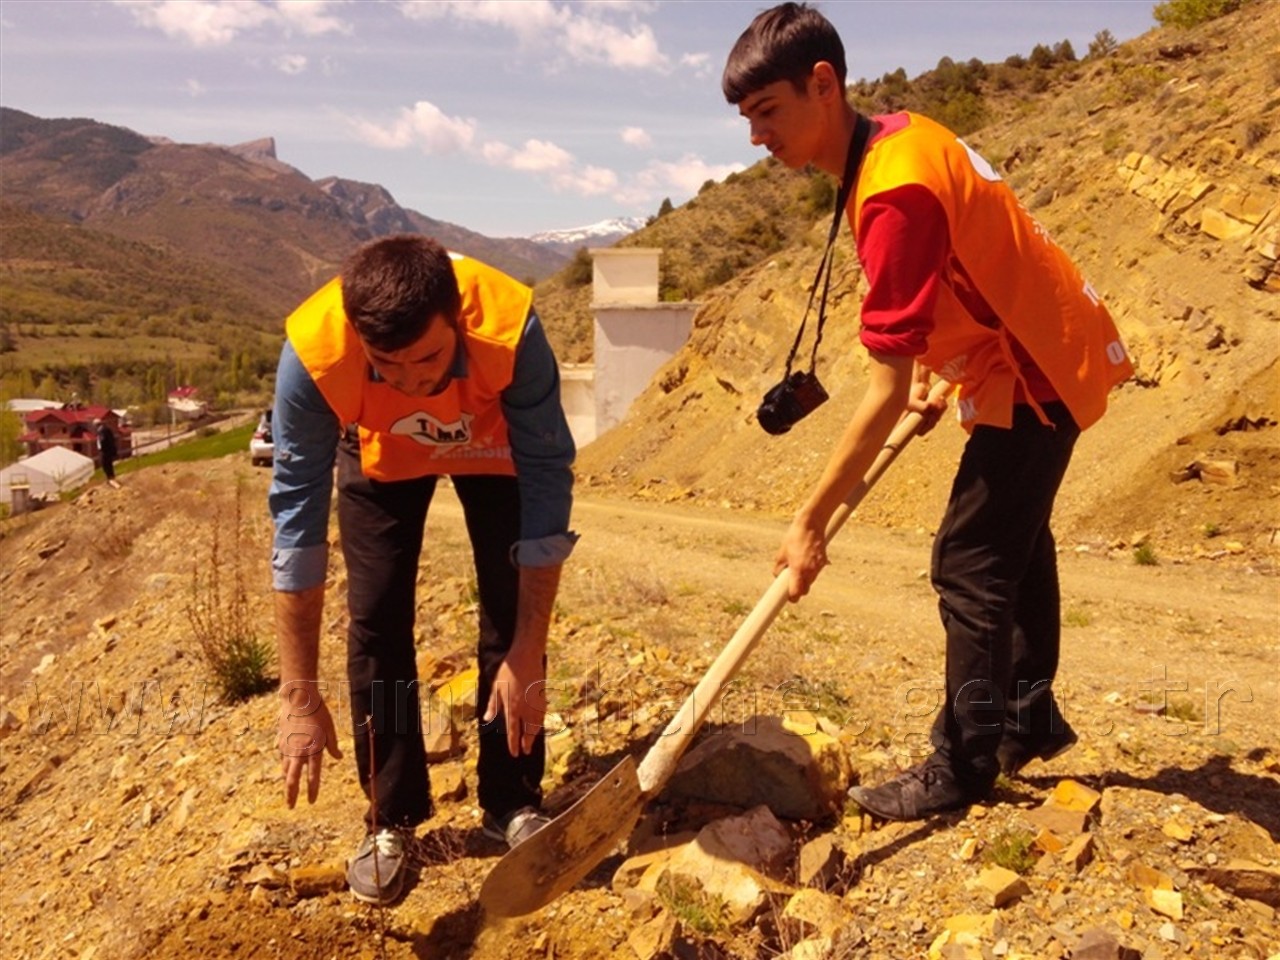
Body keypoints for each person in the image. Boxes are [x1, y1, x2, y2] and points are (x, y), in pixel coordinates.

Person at [723, 3, 1133, 821]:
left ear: (823, 84)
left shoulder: (894, 191)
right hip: (1032, 347)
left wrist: (809, 521)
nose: (756, 137)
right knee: (1015, 540)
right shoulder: (899, 137)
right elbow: (966, 262)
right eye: (747, 118)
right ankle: (1026, 720)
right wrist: (938, 369)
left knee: (970, 562)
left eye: (767, 112)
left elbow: (877, 388)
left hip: (1035, 365)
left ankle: (964, 765)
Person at [269, 234, 577, 904]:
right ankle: (393, 817)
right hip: (382, 454)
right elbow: (296, 520)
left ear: (457, 322)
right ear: (358, 338)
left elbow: (549, 481)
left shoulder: (508, 329)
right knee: (377, 622)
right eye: (390, 365)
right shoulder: (315, 353)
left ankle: (512, 801)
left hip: (492, 444)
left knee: (508, 614)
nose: (412, 380)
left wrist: (530, 647)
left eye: (430, 357)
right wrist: (298, 692)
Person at [94, 418, 121, 489]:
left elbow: (103, 440)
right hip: (109, 450)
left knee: (105, 464)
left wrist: (101, 448)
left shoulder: (102, 430)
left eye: (95, 425)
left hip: (105, 451)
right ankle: (111, 478)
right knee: (108, 464)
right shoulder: (106, 429)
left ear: (97, 425)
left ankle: (110, 478)